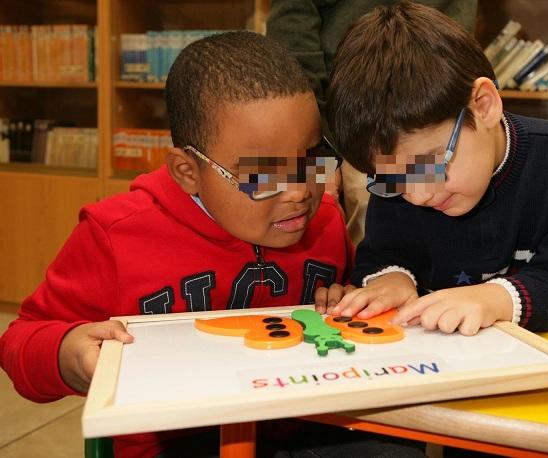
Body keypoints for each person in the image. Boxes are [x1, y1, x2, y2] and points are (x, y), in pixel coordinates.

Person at [0, 32, 421, 458]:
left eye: (313, 159)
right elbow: (22, 339)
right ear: (188, 171)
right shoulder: (115, 235)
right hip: (174, 438)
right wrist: (69, 354)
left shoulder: (326, 224)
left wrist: (350, 301)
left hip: (302, 426)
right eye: (265, 175)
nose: (299, 192)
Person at [321, 3, 548, 335]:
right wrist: (392, 278)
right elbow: (380, 255)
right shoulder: (402, 177)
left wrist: (491, 300)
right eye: (393, 180)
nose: (418, 195)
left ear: (483, 105)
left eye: (428, 166)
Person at [267, 0, 478, 246]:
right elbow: (293, 25)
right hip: (350, 117)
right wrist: (319, 149)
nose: (419, 197)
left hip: (438, 103)